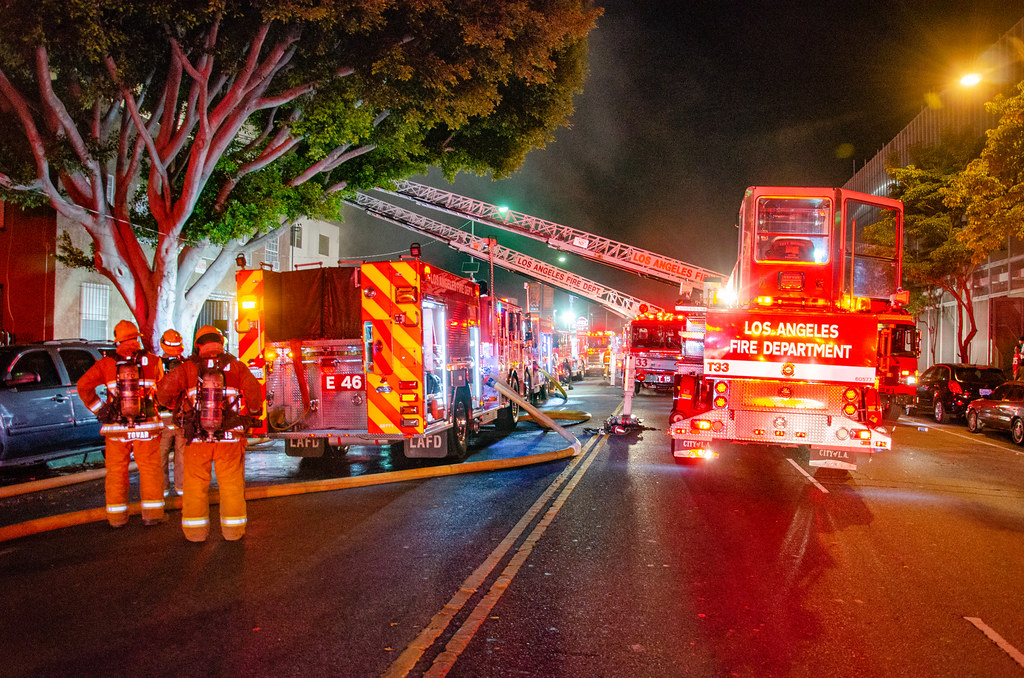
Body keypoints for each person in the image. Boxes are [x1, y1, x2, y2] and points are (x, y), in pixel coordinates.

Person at [157, 325, 264, 542]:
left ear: (198, 345)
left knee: (195, 485)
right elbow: (254, 393)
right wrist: (252, 414)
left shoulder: (187, 368)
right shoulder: (235, 366)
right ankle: (233, 532)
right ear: (221, 343)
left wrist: (174, 406)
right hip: (230, 438)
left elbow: (162, 393)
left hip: (196, 439)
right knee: (232, 485)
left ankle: (195, 533)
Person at [77, 319, 166, 527]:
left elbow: (83, 386)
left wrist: (101, 410)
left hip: (116, 428)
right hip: (148, 427)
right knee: (151, 469)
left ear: (117, 340)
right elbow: (162, 389)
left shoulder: (107, 363)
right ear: (136, 337)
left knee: (117, 471)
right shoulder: (154, 361)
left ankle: (117, 518)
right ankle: (152, 516)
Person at [158, 329, 187, 496]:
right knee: (182, 455)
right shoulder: (187, 365)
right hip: (182, 417)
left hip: (163, 417)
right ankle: (181, 489)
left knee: (160, 455)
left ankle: (162, 490)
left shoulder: (156, 364)